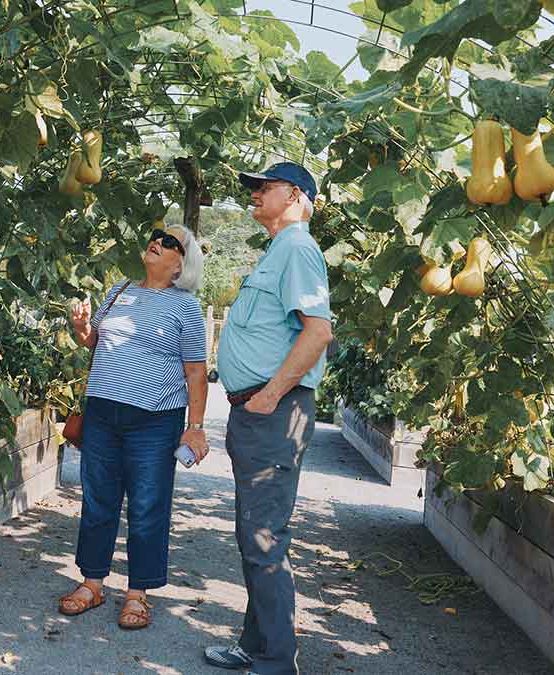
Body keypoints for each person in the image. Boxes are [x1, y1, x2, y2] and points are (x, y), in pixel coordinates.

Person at [204, 162, 332, 675]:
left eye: (265, 187)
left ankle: (277, 662)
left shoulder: (298, 249)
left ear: (296, 197)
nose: (255, 194)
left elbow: (317, 332)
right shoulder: (279, 251)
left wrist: (268, 396)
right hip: (260, 414)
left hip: (272, 412)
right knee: (254, 534)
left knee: (262, 538)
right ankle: (255, 646)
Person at [59, 224, 210, 630]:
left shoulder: (186, 308)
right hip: (103, 414)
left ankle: (138, 594)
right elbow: (95, 344)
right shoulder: (120, 290)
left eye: (170, 242)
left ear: (181, 264)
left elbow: (196, 372)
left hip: (155, 422)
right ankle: (92, 584)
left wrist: (195, 427)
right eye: (156, 235)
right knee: (97, 501)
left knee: (146, 508)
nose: (157, 241)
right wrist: (82, 329)